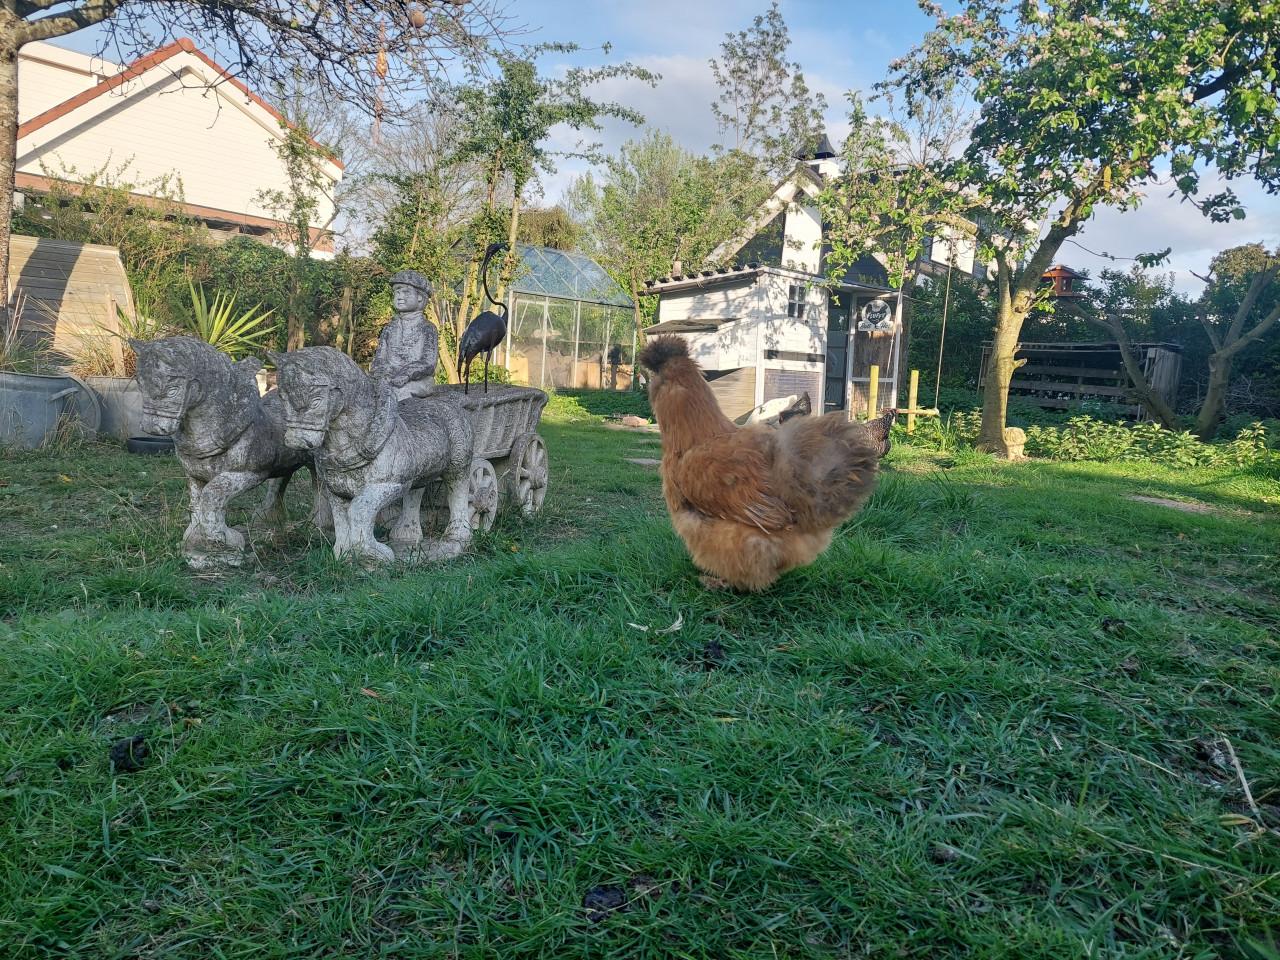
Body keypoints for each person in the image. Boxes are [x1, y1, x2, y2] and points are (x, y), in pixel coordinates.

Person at [372, 269, 438, 400]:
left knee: (398, 395)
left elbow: (428, 362)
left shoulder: (427, 328)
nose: (400, 297)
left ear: (420, 297)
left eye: (405, 292)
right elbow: (380, 359)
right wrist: (382, 372)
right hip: (388, 380)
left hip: (417, 382)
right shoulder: (389, 329)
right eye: (397, 292)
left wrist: (407, 374)